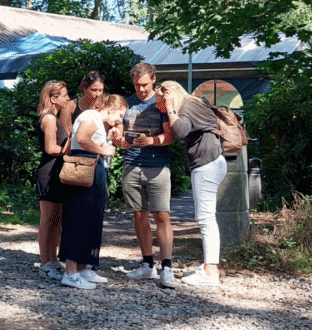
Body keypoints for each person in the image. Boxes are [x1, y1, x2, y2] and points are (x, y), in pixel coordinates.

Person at [155, 81, 228, 287]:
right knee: (207, 218)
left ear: (169, 95)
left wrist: (171, 108)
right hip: (213, 162)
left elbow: (181, 130)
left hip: (206, 165)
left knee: (206, 219)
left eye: (161, 101)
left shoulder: (187, 106)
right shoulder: (196, 103)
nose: (160, 107)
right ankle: (209, 267)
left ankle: (210, 272)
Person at [59, 93, 126, 291]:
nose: (119, 120)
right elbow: (81, 138)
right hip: (84, 169)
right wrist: (103, 150)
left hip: (92, 169)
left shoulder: (97, 120)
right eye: (119, 115)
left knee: (91, 219)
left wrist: (107, 140)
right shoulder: (91, 115)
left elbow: (87, 140)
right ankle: (71, 272)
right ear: (111, 109)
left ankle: (82, 267)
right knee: (78, 219)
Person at [120, 62, 176, 289]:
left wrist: (151, 140)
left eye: (144, 84)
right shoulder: (127, 103)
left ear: (154, 79)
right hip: (131, 164)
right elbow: (121, 137)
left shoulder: (161, 103)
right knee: (139, 215)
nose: (141, 89)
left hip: (158, 165)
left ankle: (167, 268)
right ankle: (147, 264)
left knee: (162, 215)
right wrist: (120, 141)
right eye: (137, 85)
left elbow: (170, 136)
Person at [34, 80, 69, 280]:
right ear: (54, 98)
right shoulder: (48, 118)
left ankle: (53, 260)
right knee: (47, 220)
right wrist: (70, 148)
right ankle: (44, 263)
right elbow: (50, 148)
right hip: (48, 173)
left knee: (56, 220)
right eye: (64, 95)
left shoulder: (56, 118)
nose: (68, 99)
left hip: (57, 172)